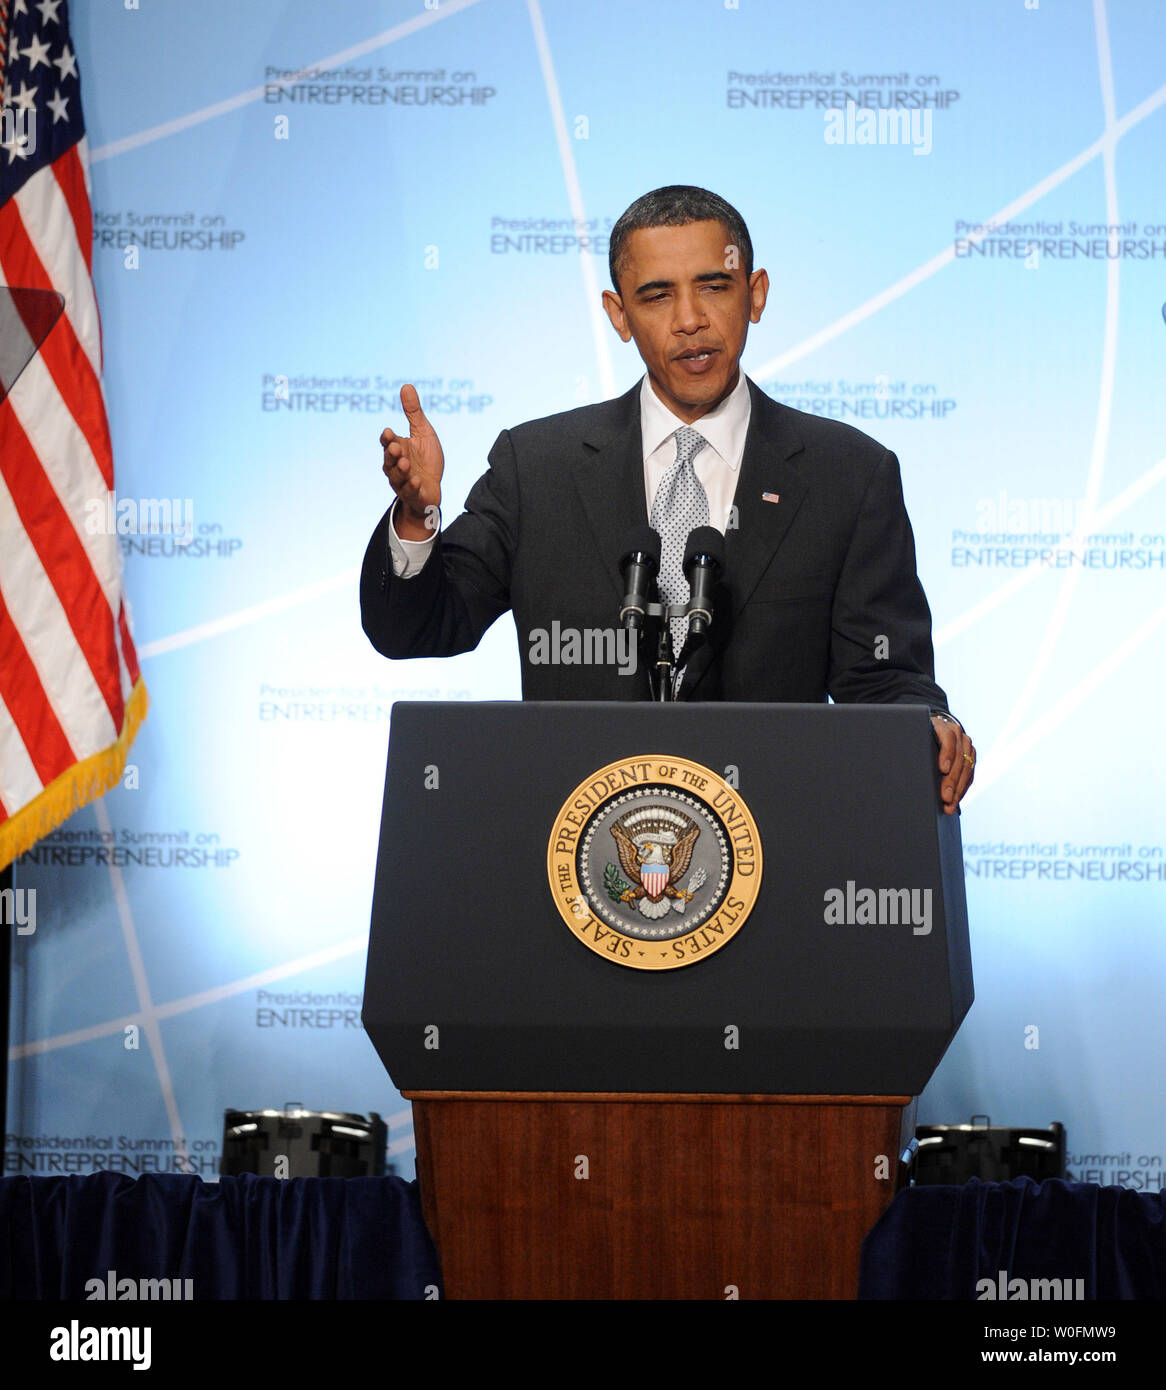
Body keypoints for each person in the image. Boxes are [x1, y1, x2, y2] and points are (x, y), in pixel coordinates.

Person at [360, 185, 975, 813]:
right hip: (577, 850)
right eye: (657, 295)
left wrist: (929, 724)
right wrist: (416, 518)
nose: (690, 319)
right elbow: (416, 627)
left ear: (755, 293)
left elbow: (884, 676)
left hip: (773, 844)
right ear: (619, 315)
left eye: (714, 286)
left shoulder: (848, 474)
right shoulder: (537, 466)